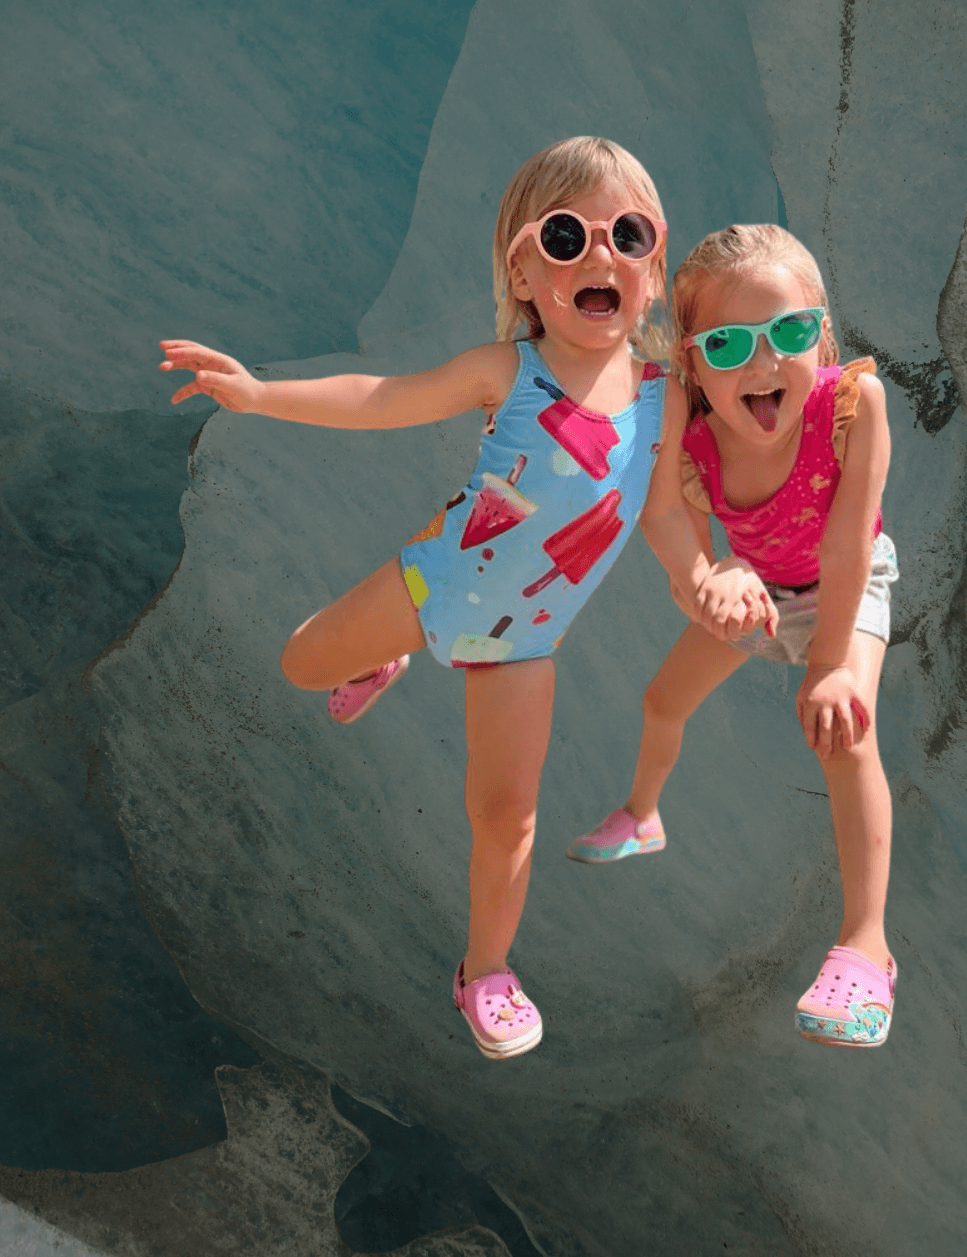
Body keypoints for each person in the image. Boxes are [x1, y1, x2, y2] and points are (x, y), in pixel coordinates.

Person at [159, 138, 773, 1061]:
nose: (599, 254)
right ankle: (383, 657)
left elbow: (664, 518)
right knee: (301, 664)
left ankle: (485, 971)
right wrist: (258, 395)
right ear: (523, 273)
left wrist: (705, 583)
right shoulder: (506, 372)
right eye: (565, 237)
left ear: (653, 271)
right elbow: (381, 398)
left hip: (523, 642)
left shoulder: (666, 399)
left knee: (506, 814)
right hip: (435, 583)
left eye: (627, 235)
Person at [569, 223, 899, 1049]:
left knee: (846, 729)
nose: (762, 363)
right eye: (727, 344)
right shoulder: (688, 428)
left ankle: (867, 949)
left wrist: (830, 664)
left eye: (789, 331)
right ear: (690, 363)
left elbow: (848, 546)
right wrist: (706, 578)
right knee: (662, 702)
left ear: (822, 334)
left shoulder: (852, 406)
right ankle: (643, 814)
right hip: (757, 591)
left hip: (844, 586)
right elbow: (664, 518)